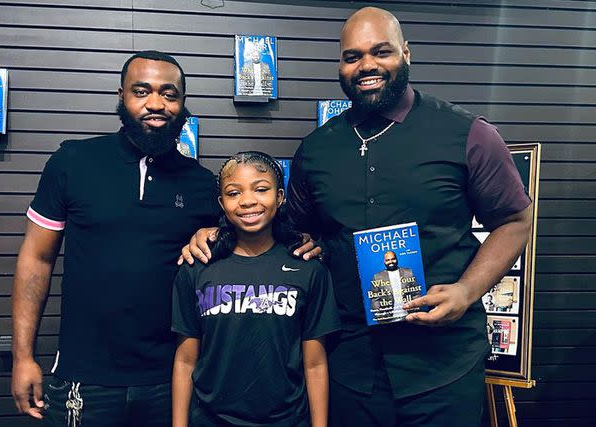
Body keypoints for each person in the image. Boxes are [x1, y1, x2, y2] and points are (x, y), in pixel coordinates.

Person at [184, 6, 532, 427]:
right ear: (341, 65)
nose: (366, 65)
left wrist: (465, 291)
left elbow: (515, 220)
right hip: (349, 365)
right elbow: (289, 227)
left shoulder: (468, 134)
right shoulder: (316, 149)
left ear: (406, 53)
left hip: (443, 365)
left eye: (380, 51)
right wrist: (216, 232)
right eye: (352, 56)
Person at [11, 50, 220, 426]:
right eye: (141, 91)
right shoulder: (73, 161)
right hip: (83, 377)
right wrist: (22, 357)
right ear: (121, 96)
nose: (155, 103)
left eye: (169, 94)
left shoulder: (204, 184)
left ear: (183, 105)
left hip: (172, 378)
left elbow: (243, 254)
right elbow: (36, 259)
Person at [172, 152, 340, 427]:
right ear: (221, 203)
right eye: (233, 192)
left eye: (261, 189)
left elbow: (315, 364)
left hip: (287, 420)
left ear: (281, 196)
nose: (248, 200)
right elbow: (186, 360)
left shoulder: (309, 269)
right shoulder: (197, 267)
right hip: (211, 420)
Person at [370, 251, 416, 318]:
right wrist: (379, 315)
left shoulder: (408, 272)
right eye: (387, 260)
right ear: (384, 261)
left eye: (393, 259)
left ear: (397, 259)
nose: (391, 262)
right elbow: (375, 299)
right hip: (388, 317)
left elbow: (416, 293)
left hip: (409, 315)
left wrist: (416, 310)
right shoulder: (377, 277)